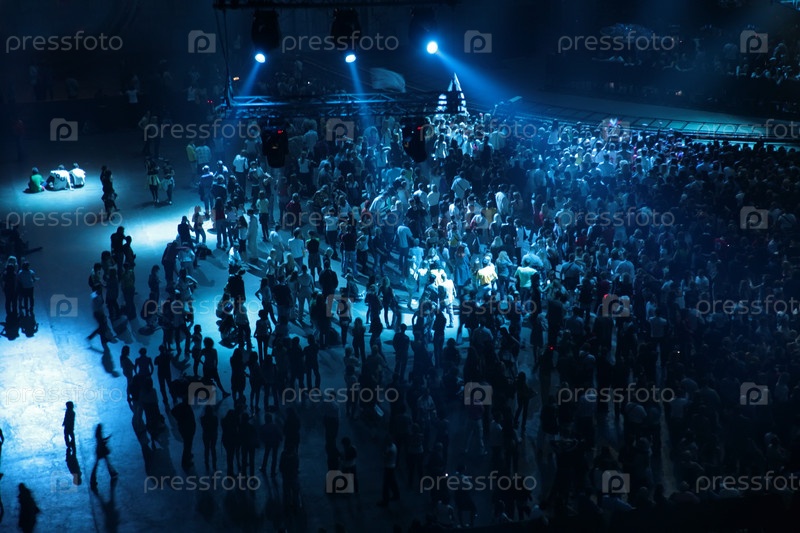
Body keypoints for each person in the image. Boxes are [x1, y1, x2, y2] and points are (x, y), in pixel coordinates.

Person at [90, 424, 118, 491]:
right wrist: (106, 440)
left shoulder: (97, 434)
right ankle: (112, 473)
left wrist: (106, 439)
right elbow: (101, 442)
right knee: (106, 463)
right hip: (101, 450)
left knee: (99, 464)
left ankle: (94, 478)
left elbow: (101, 441)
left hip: (99, 450)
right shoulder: (99, 434)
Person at [377, 435, 400, 506]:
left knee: (386, 485)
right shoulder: (394, 446)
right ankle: (396, 495)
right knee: (393, 482)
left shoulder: (390, 449)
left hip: (388, 467)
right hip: (392, 466)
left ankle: (385, 501)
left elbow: (385, 458)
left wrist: (383, 453)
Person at [199, 405, 218, 472]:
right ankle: (214, 464)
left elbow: (203, 427)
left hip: (206, 435)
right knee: (213, 449)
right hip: (213, 435)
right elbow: (216, 426)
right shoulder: (215, 418)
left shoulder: (202, 418)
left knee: (206, 449)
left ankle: (206, 463)